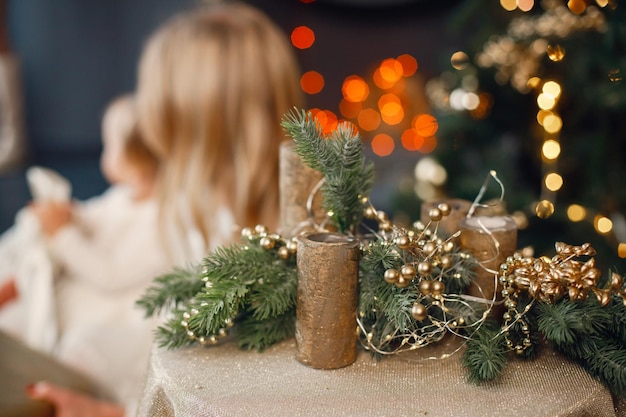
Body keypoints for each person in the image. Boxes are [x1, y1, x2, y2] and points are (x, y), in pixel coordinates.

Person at [24, 1, 303, 416]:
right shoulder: (189, 192)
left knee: (80, 344)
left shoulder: (261, 245)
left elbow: (229, 390)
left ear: (185, 118)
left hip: (172, 373)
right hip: (159, 328)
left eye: (152, 96)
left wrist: (110, 413)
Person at [0, 93, 168, 416]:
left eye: (110, 146)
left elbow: (111, 273)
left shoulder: (158, 220)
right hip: (80, 290)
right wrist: (69, 216)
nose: (105, 154)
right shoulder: (123, 196)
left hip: (111, 306)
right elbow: (96, 215)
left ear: (136, 157)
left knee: (69, 342)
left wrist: (63, 234)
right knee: (23, 285)